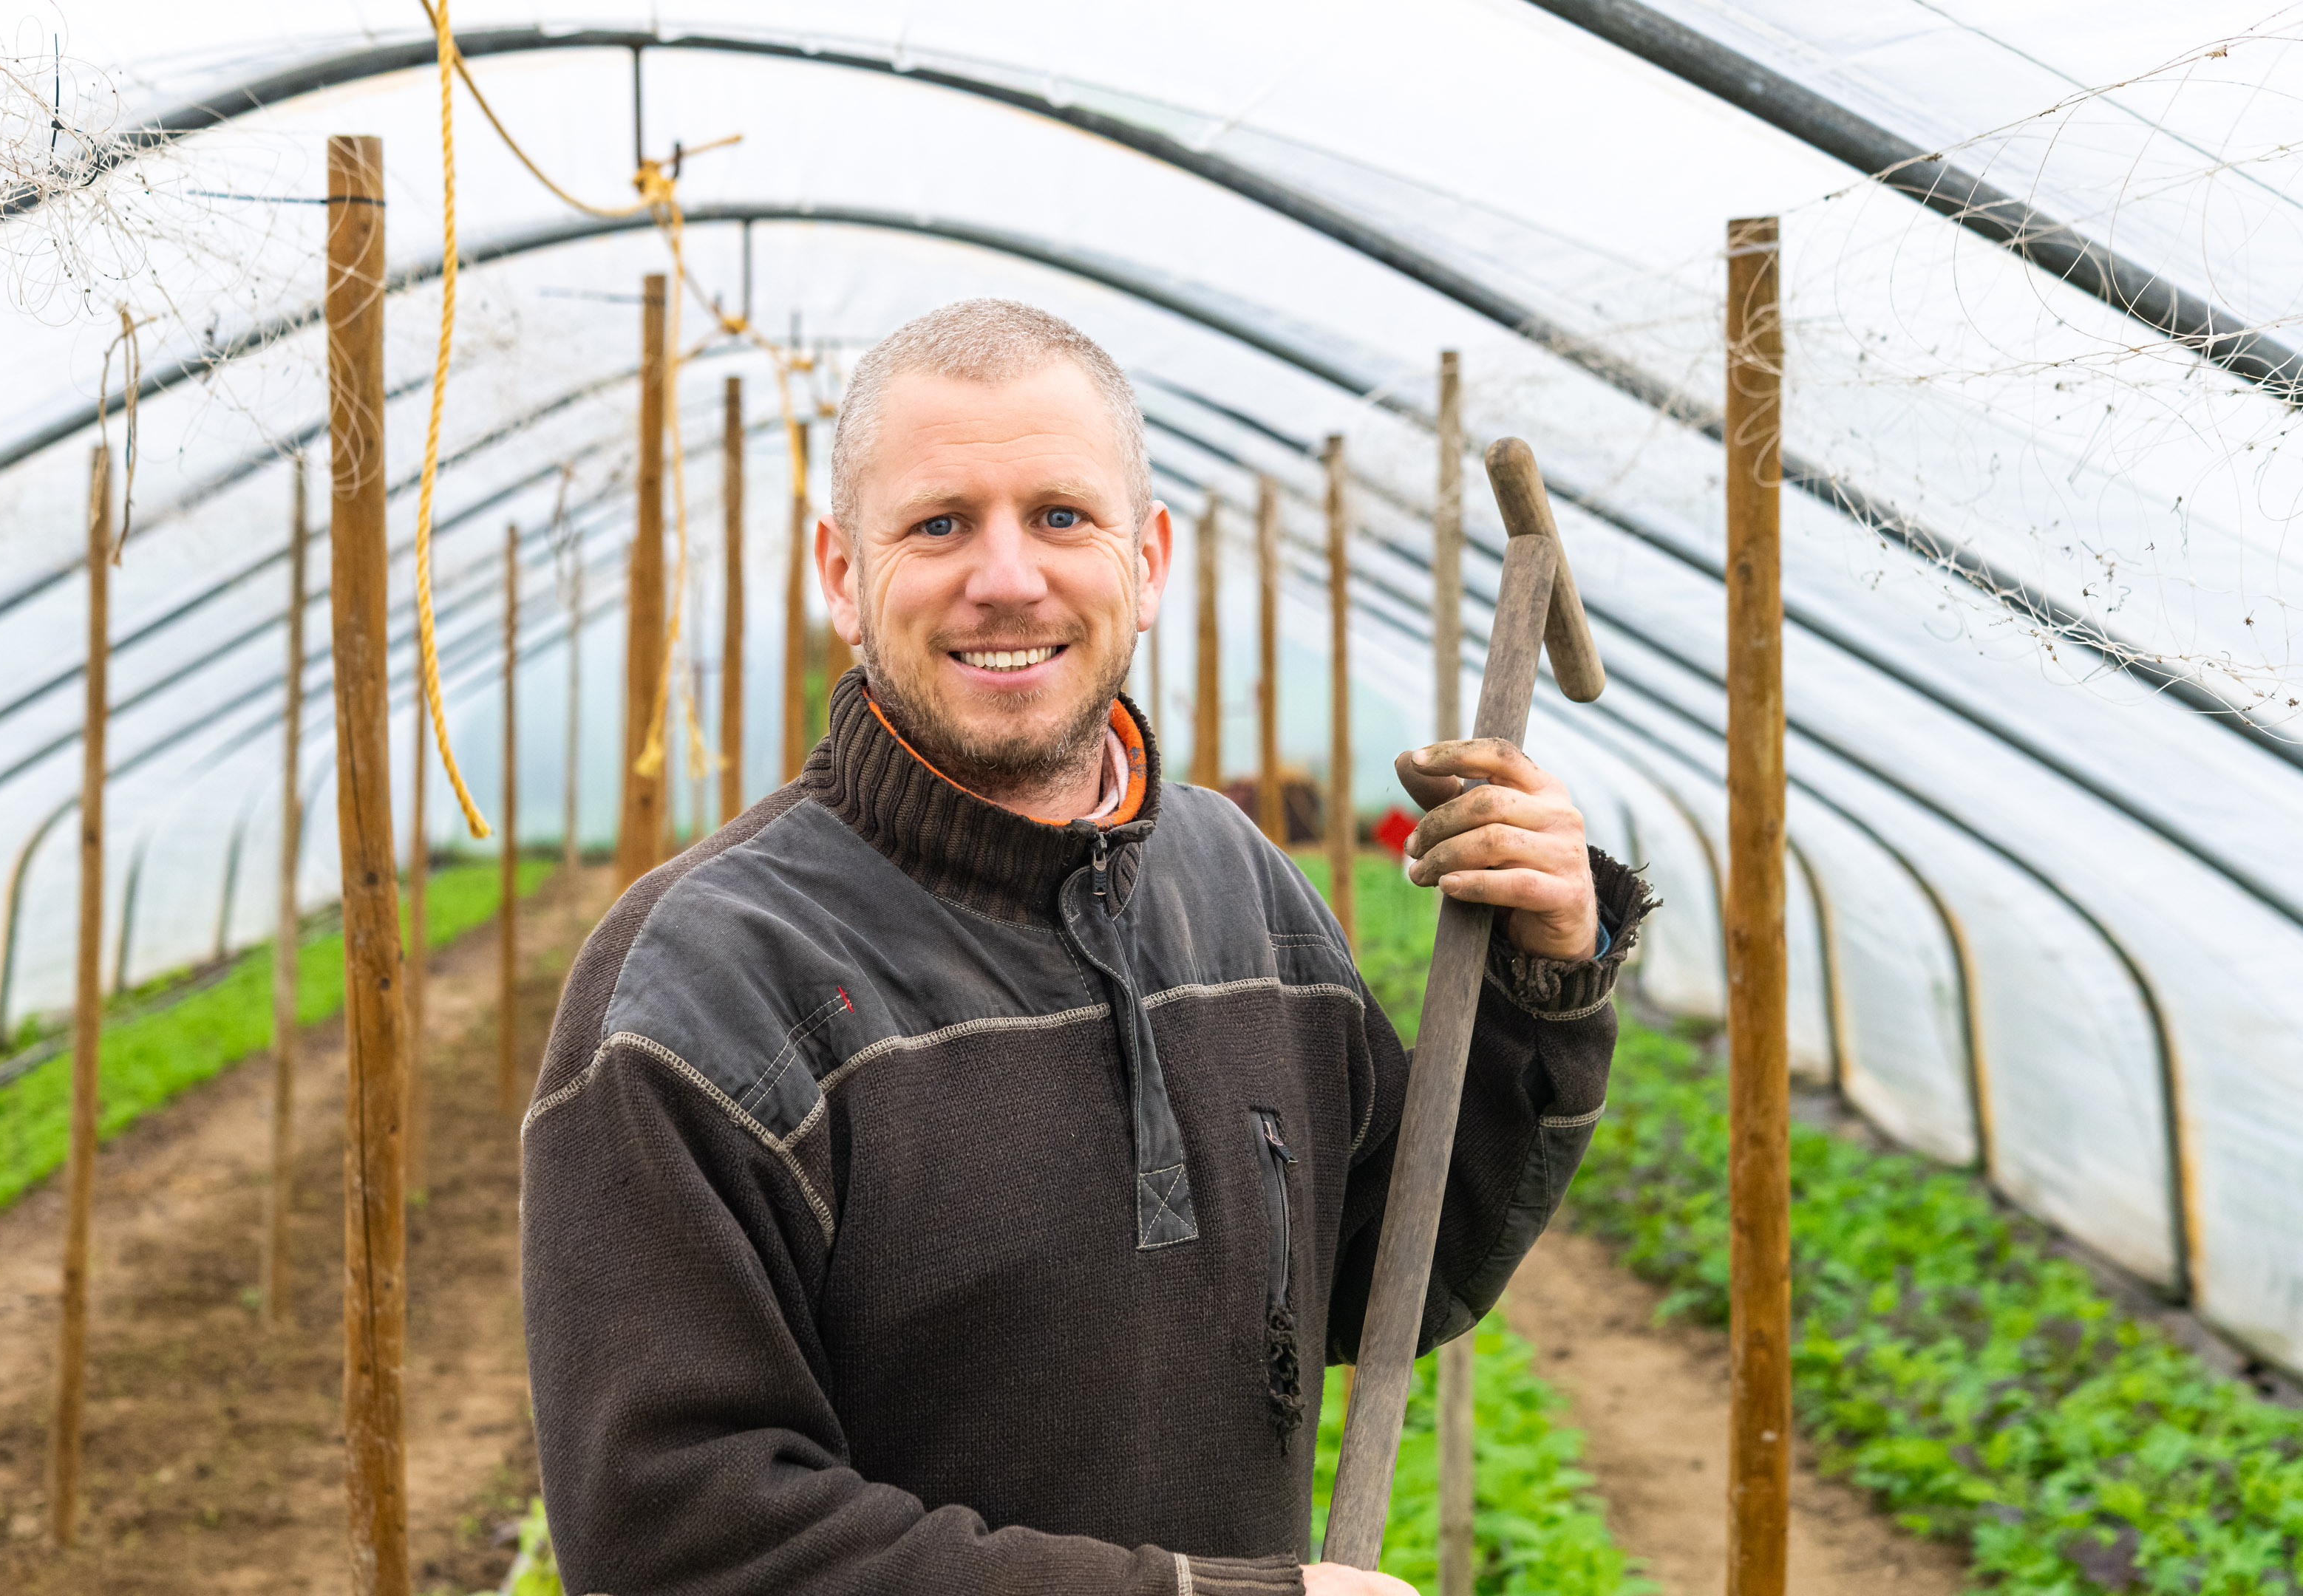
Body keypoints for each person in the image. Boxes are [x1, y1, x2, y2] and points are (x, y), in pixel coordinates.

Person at [521, 299, 1654, 1596]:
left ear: (1150, 560)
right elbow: (675, 1535)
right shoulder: (702, 990)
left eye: (1061, 515)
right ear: (841, 573)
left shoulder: (1242, 889)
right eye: (940, 523)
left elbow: (1390, 1273)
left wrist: (1544, 981)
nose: (1007, 578)